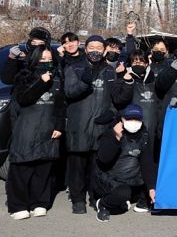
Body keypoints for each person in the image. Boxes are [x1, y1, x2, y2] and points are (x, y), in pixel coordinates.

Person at [63, 35, 132, 214]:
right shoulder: (74, 68)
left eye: (99, 48)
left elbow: (115, 97)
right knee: (77, 166)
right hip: (79, 125)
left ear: (104, 51)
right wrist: (84, 82)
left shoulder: (110, 71)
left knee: (97, 167)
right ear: (85, 49)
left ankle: (95, 198)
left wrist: (111, 112)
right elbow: (69, 93)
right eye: (92, 47)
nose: (95, 50)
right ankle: (78, 200)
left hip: (101, 126)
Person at [6, 46, 64, 220]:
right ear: (34, 59)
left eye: (49, 59)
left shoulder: (57, 78)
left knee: (43, 169)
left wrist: (59, 126)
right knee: (22, 168)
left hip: (48, 129)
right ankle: (18, 205)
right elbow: (23, 99)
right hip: (27, 129)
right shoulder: (24, 77)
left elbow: (61, 105)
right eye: (42, 59)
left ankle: (39, 203)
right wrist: (41, 82)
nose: (46, 62)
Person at [93, 104, 156, 222]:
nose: (133, 122)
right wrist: (116, 138)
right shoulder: (110, 132)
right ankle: (102, 204)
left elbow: (146, 163)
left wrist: (151, 188)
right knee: (122, 193)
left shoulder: (145, 135)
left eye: (137, 119)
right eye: (129, 118)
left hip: (132, 178)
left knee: (154, 180)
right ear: (121, 119)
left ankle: (139, 201)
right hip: (109, 178)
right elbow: (103, 159)